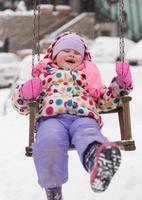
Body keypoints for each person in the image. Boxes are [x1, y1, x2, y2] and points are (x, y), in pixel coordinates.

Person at [12, 32, 133, 200]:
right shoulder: (44, 75)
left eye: (77, 53)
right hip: (51, 118)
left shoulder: (88, 77)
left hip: (84, 118)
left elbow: (106, 101)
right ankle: (53, 189)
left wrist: (120, 85)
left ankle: (98, 161)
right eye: (66, 50)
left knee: (89, 134)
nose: (72, 54)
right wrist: (25, 94)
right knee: (49, 141)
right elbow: (22, 107)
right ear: (54, 56)